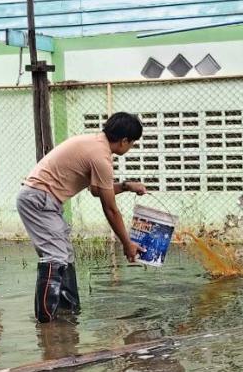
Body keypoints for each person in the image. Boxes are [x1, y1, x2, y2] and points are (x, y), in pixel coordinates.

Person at [16, 112, 148, 322]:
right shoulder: (100, 157)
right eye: (132, 143)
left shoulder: (92, 143)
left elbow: (97, 190)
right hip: (39, 199)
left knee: (65, 256)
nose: (130, 147)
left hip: (42, 199)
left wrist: (126, 186)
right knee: (55, 258)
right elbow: (110, 209)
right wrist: (127, 243)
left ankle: (67, 313)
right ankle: (46, 323)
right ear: (124, 141)